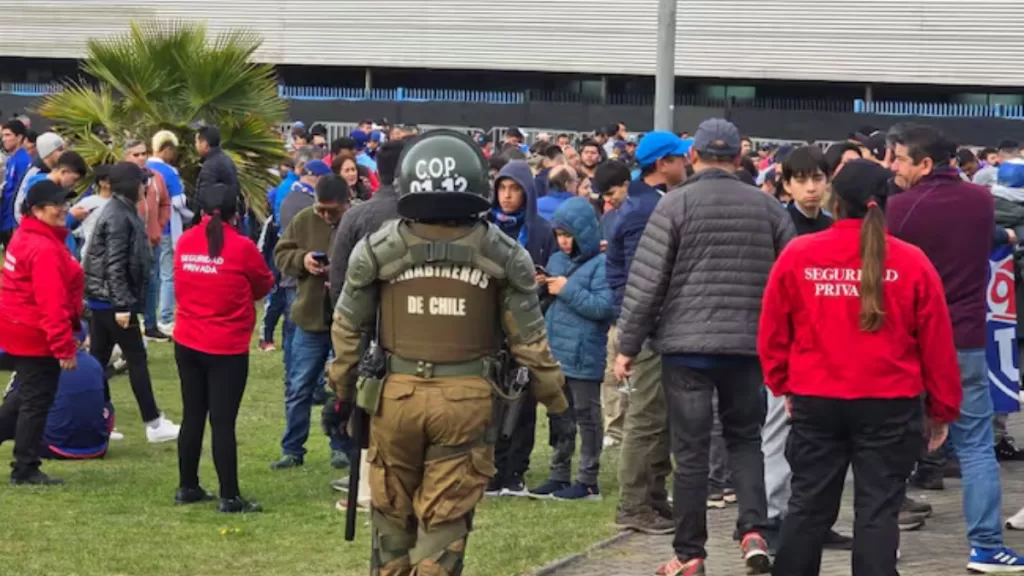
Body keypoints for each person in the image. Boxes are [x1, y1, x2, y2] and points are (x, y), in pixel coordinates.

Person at [328, 129, 569, 575]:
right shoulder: (503, 252)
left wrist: (339, 392)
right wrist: (557, 403)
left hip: (393, 398)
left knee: (391, 521)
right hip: (466, 401)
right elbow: (530, 341)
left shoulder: (380, 248)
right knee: (443, 525)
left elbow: (347, 329)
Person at [759, 159, 963, 576]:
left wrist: (785, 386)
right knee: (877, 514)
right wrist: (941, 410)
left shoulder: (800, 254)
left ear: (836, 199)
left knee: (807, 508)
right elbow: (938, 344)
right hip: (889, 404)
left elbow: (772, 333)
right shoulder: (911, 262)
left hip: (817, 399)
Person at [614, 119, 794, 575]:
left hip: (685, 348)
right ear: (738, 159)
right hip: (748, 348)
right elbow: (789, 283)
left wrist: (628, 345)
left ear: (693, 156)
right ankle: (753, 530)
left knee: (691, 453)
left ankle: (689, 553)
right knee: (745, 440)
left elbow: (646, 282)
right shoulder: (769, 208)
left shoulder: (674, 205)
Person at [887, 125, 1024, 572]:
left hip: (907, 339)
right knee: (977, 445)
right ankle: (986, 545)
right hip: (964, 336)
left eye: (900, 159)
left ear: (925, 163)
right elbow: (987, 238)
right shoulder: (980, 201)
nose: (894, 167)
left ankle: (881, 538)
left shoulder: (899, 209)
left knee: (887, 443)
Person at [607, 132, 691, 536]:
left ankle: (654, 498)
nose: (686, 164)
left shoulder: (646, 203)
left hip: (652, 326)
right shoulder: (646, 210)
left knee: (659, 418)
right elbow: (645, 279)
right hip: (649, 328)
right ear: (663, 163)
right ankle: (635, 503)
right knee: (646, 418)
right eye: (679, 158)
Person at [173, 182, 274, 513]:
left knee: (192, 415)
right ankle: (229, 495)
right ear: (236, 213)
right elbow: (263, 283)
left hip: (188, 340)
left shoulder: (186, 242)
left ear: (200, 211)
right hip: (226, 347)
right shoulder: (242, 248)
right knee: (223, 421)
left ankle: (187, 485)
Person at [84, 162, 180, 444]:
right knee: (136, 359)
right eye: (142, 183)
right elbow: (114, 265)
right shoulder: (118, 216)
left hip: (104, 300)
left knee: (98, 361)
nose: (146, 188)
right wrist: (123, 306)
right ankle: (153, 423)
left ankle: (97, 416)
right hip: (112, 303)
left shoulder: (123, 211)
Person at [528, 196, 615, 501]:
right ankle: (558, 473)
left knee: (587, 416)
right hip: (556, 352)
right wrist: (541, 285)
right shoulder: (556, 262)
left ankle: (588, 479)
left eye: (569, 236)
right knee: (559, 414)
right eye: (560, 236)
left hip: (584, 353)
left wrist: (567, 289)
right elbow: (546, 303)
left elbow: (605, 307)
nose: (564, 242)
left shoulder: (602, 265)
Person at [0, 179, 84, 485]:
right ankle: (25, 467)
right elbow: (52, 303)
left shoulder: (25, 236)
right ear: (36, 210)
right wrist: (64, 348)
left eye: (64, 203)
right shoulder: (43, 247)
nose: (63, 209)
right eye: (56, 205)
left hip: (17, 328)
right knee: (36, 401)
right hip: (35, 334)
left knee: (24, 395)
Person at [485, 159, 558, 496]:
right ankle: (490, 467)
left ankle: (516, 469)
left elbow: (556, 272)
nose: (507, 196)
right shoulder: (484, 227)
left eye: (514, 189)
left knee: (524, 401)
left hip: (529, 323)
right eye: (502, 188)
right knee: (488, 400)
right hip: (488, 325)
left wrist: (544, 281)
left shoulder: (542, 231)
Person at [272, 174, 351, 470]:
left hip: (347, 320)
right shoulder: (305, 219)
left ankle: (342, 446)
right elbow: (281, 253)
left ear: (347, 203)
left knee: (344, 387)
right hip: (310, 316)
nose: (326, 215)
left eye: (333, 210)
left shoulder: (355, 221)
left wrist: (341, 274)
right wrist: (302, 260)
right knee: (299, 386)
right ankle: (292, 448)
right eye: (322, 209)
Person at [4, 330, 113, 461]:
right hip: (98, 447)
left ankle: (24, 447)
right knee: (106, 405)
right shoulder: (94, 363)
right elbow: (106, 401)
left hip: (54, 446)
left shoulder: (40, 363)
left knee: (20, 401)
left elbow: (10, 402)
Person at [328, 139, 405, 306]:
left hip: (363, 315)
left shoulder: (353, 216)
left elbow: (337, 279)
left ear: (377, 173)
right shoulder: (423, 216)